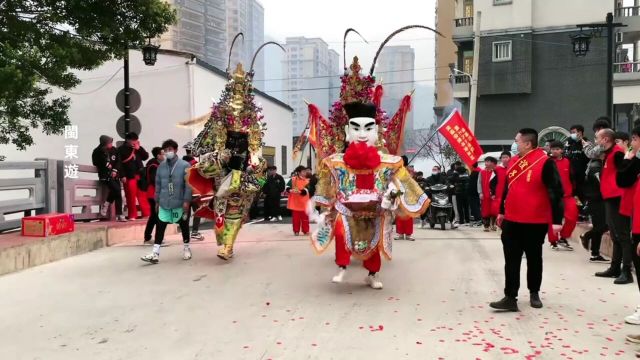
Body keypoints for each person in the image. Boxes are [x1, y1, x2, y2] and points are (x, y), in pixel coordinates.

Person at [309, 55, 429, 290]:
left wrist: (392, 195)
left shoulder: (389, 162)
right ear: (346, 131)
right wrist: (325, 205)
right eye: (356, 128)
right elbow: (326, 187)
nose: (362, 134)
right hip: (346, 209)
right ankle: (342, 268)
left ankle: (372, 274)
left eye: (368, 128)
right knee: (342, 235)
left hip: (374, 211)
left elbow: (402, 186)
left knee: (372, 246)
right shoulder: (335, 162)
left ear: (377, 130)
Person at [185, 61, 268, 261]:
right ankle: (224, 242)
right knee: (221, 204)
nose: (238, 93)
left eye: (242, 88)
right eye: (235, 88)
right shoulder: (221, 115)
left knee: (237, 206)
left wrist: (255, 160)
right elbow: (214, 140)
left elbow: (255, 142)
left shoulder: (251, 117)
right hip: (224, 166)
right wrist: (220, 155)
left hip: (243, 168)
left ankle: (228, 245)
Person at [489, 128, 564, 311]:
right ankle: (510, 296)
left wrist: (556, 220)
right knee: (511, 259)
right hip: (512, 220)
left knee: (534, 258)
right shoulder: (514, 162)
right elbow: (507, 189)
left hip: (535, 221)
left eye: (517, 141)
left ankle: (534, 292)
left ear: (528, 143)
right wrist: (501, 211)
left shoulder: (545, 162)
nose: (514, 145)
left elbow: (555, 191)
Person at [140, 140, 193, 264]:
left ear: (175, 150)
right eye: (165, 150)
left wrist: (186, 200)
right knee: (160, 225)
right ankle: (155, 253)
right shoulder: (161, 167)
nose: (167, 152)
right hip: (164, 202)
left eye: (170, 149)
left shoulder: (184, 165)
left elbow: (188, 185)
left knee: (184, 225)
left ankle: (186, 248)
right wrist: (157, 201)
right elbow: (158, 185)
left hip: (180, 201)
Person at [594, 128, 634, 285]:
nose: (596, 140)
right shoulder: (609, 153)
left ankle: (626, 271)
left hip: (618, 197)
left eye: (597, 138)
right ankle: (615, 267)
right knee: (614, 234)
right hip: (610, 197)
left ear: (605, 139)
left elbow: (626, 171)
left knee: (623, 235)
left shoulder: (617, 153)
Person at [580, 118, 612, 263]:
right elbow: (600, 185)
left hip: (596, 197)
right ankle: (588, 239)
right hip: (597, 198)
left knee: (602, 225)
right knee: (601, 225)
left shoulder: (596, 163)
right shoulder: (595, 165)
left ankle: (594, 252)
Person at [619, 127, 640, 332]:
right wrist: (628, 159)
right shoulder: (636, 159)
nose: (632, 143)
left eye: (634, 139)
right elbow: (622, 180)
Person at [547, 141, 577, 251]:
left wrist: (575, 191)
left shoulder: (567, 162)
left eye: (557, 149)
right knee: (553, 219)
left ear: (562, 150)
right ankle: (553, 240)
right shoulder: (548, 162)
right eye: (553, 149)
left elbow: (572, 177)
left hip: (567, 195)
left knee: (572, 218)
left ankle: (563, 237)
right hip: (553, 197)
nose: (555, 151)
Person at [92, 135, 126, 222]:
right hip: (105, 175)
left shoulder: (114, 150)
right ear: (105, 143)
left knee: (117, 192)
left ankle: (118, 213)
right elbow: (95, 161)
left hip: (115, 175)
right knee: (117, 190)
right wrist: (106, 164)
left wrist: (115, 170)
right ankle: (113, 209)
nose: (111, 144)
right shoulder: (97, 151)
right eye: (109, 142)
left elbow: (118, 161)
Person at [117, 132, 150, 220]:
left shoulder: (138, 148)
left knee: (142, 194)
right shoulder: (120, 149)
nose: (134, 142)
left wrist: (139, 149)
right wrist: (122, 175)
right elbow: (119, 164)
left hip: (140, 175)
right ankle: (132, 215)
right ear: (127, 140)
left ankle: (146, 213)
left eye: (136, 140)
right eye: (133, 140)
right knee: (130, 195)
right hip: (128, 175)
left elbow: (145, 157)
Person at [182, 142, 203, 241]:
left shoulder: (180, 163)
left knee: (186, 213)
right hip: (194, 192)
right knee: (198, 211)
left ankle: (184, 232)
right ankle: (194, 232)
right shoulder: (196, 164)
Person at [143, 147, 163, 244]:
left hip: (155, 194)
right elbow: (155, 181)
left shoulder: (157, 165)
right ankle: (154, 238)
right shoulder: (154, 166)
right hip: (154, 194)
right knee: (156, 217)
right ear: (158, 155)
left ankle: (148, 237)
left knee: (154, 216)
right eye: (163, 154)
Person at [479, 157, 505, 232]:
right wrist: (480, 192)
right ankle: (486, 225)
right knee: (485, 210)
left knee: (494, 210)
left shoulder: (496, 171)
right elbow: (479, 183)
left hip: (494, 194)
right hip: (485, 194)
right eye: (485, 161)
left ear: (493, 163)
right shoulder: (482, 172)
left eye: (488, 161)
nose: (486, 163)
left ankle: (493, 224)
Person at [396, 155, 415, 240]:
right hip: (399, 193)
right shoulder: (396, 170)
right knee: (400, 214)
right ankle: (400, 234)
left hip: (408, 194)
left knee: (408, 215)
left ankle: (408, 234)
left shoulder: (409, 171)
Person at [287, 166, 311, 235]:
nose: (305, 173)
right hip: (295, 203)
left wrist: (300, 192)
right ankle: (296, 231)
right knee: (296, 219)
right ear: (299, 172)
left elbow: (308, 190)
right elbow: (287, 187)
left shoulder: (307, 180)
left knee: (305, 218)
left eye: (305, 171)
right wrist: (290, 190)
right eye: (303, 171)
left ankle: (306, 230)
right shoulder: (293, 179)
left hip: (304, 203)